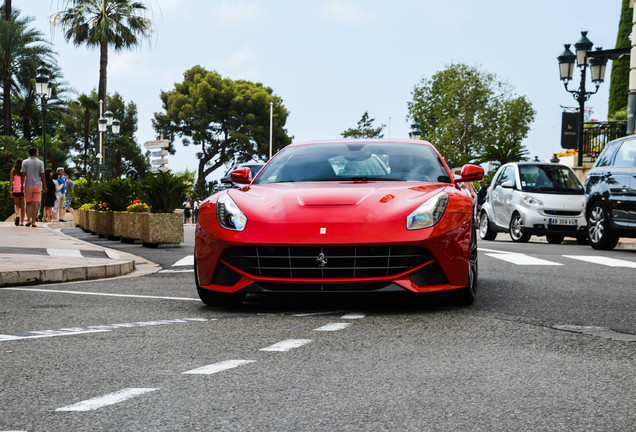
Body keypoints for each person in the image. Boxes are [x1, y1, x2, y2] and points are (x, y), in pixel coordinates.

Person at [20, 147, 47, 228]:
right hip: (38, 185)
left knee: (28, 203)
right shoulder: (40, 163)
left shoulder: (25, 162)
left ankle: (28, 220)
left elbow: (23, 174)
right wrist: (45, 186)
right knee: (36, 204)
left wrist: (22, 184)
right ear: (36, 153)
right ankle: (34, 222)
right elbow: (42, 175)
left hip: (28, 184)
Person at [9, 159, 26, 226]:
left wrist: (10, 190)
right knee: (22, 205)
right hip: (22, 189)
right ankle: (22, 222)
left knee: (16, 204)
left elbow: (11, 181)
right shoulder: (24, 170)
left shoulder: (13, 171)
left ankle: (17, 215)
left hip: (16, 189)